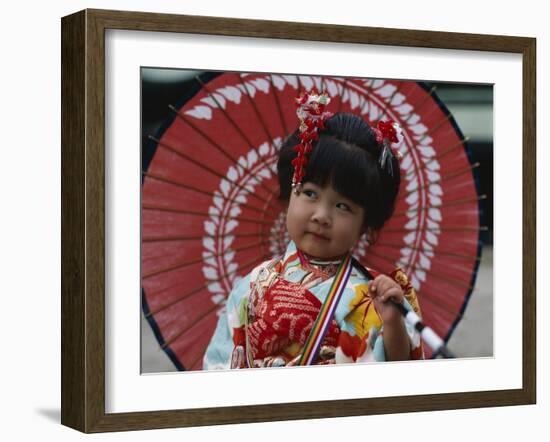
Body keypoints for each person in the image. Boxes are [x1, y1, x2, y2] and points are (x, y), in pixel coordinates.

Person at [203, 91, 424, 370]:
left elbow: (402, 376)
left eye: (343, 206)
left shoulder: (376, 294)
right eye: (310, 193)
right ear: (289, 192)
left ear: (365, 223)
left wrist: (392, 322)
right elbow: (220, 364)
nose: (322, 215)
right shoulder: (252, 285)